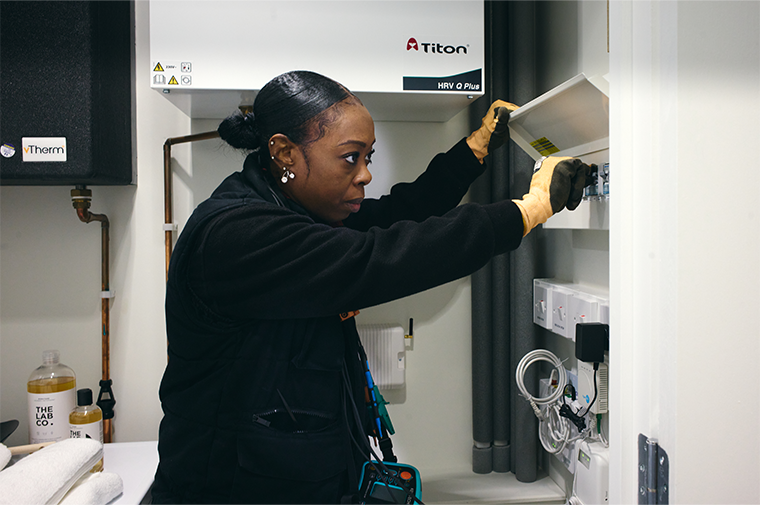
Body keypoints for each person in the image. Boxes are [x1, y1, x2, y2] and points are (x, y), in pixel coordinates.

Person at [152, 70, 592, 504]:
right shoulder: (236, 234)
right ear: (285, 152)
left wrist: (474, 149)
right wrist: (528, 210)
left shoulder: (296, 211)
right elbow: (381, 258)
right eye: (350, 157)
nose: (364, 174)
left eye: (369, 157)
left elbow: (402, 214)